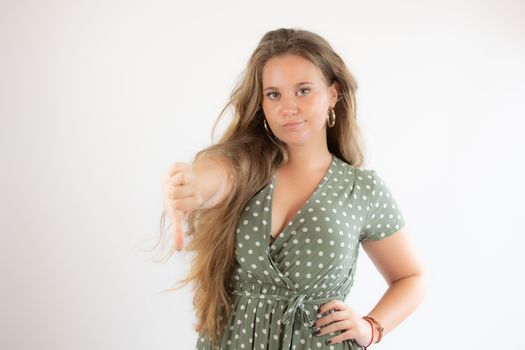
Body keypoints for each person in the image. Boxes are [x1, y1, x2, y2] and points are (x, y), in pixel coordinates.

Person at [159, 28, 426, 350]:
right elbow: (210, 177)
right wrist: (190, 187)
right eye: (274, 94)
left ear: (333, 94)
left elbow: (411, 278)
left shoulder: (361, 190)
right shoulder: (242, 168)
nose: (289, 107)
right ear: (261, 103)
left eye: (303, 91)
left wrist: (371, 328)